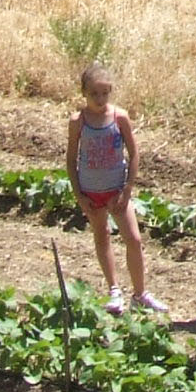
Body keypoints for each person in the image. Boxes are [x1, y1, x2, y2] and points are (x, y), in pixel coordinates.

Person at [65, 63, 158, 316]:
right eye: (94, 93)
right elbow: (71, 160)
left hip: (116, 190)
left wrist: (128, 188)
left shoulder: (119, 117)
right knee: (101, 236)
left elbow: (135, 152)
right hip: (91, 191)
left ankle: (139, 293)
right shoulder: (78, 121)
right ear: (84, 92)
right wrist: (79, 195)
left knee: (134, 239)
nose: (100, 99)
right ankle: (113, 289)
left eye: (105, 93)